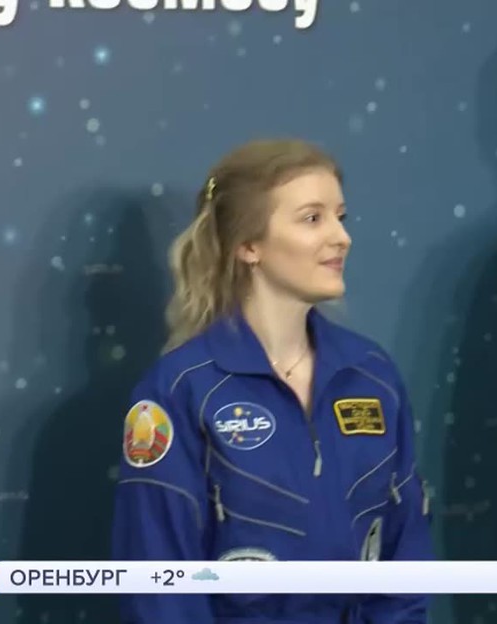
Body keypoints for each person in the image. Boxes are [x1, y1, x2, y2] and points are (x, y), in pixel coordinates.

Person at [111, 139, 434, 623]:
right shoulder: (180, 391)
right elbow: (160, 586)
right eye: (312, 218)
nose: (342, 237)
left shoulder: (370, 374)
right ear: (249, 246)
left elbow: (406, 552)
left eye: (340, 217)